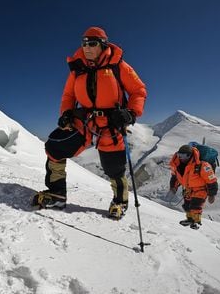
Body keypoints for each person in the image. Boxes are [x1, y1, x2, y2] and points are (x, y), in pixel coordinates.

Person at [32, 26, 147, 219]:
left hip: (111, 122)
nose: (87, 47)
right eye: (84, 43)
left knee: (113, 167)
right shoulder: (78, 69)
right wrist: (66, 113)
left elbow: (138, 90)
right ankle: (57, 194)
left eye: (92, 43)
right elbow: (68, 95)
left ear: (102, 45)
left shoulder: (118, 66)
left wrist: (130, 112)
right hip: (84, 120)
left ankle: (120, 202)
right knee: (55, 147)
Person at [169, 144, 218, 229]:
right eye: (179, 155)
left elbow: (211, 179)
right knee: (187, 206)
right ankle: (190, 219)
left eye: (184, 155)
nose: (181, 158)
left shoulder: (202, 165)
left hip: (200, 189)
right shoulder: (177, 165)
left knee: (196, 206)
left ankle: (196, 222)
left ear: (190, 155)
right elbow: (175, 177)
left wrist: (212, 194)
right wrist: (173, 187)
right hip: (188, 189)